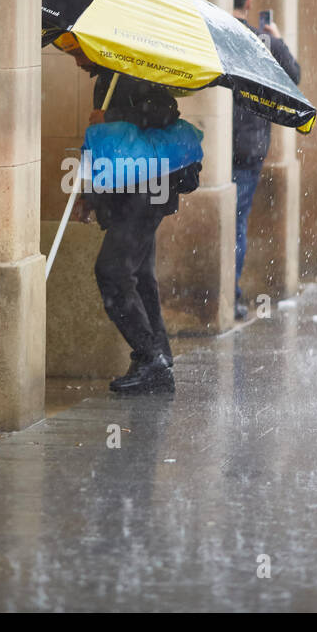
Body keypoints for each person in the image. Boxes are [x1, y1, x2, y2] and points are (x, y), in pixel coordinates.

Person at [69, 53, 200, 394]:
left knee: (112, 272)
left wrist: (109, 116)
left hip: (146, 193)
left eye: (77, 51)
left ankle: (150, 355)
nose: (75, 60)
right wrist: (90, 197)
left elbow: (164, 113)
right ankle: (159, 357)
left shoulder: (130, 73)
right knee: (140, 275)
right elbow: (108, 150)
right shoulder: (107, 79)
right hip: (129, 194)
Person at [231, 0, 301, 321]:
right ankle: (231, 296)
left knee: (232, 221)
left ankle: (218, 295)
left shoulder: (220, 37)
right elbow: (294, 75)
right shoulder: (262, 42)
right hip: (250, 146)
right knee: (238, 221)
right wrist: (277, 38)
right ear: (249, 3)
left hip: (219, 146)